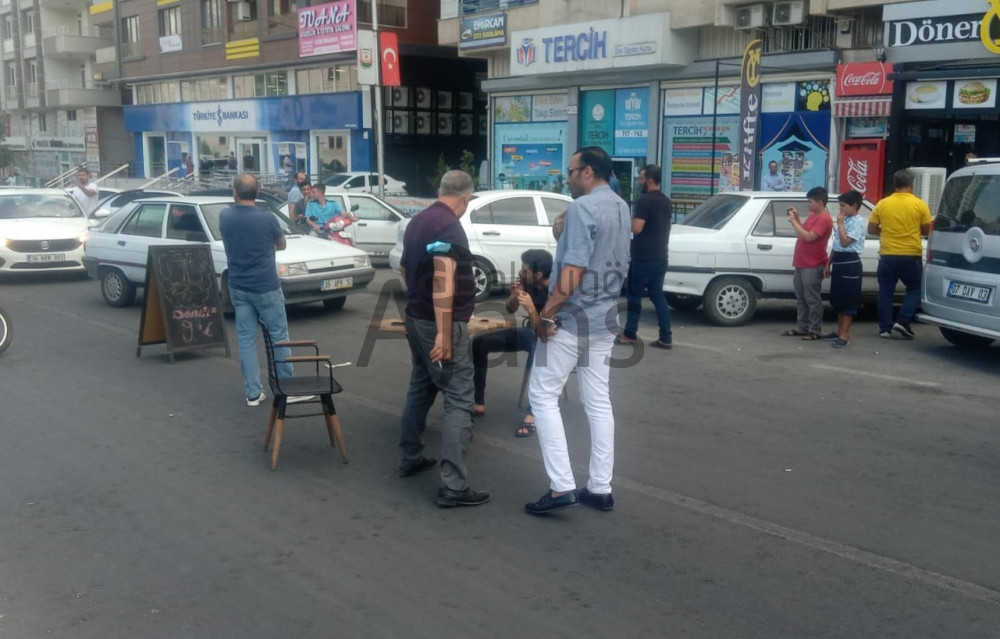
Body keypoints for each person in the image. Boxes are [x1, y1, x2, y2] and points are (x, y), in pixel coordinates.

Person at [524, 146, 631, 516]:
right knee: (598, 401)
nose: (566, 178)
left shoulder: (583, 208)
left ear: (587, 172)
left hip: (573, 319)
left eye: (570, 171)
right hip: (604, 317)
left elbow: (574, 270)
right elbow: (603, 256)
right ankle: (600, 487)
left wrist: (546, 314)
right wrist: (562, 235)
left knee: (542, 395)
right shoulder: (621, 206)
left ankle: (561, 486)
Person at [398, 169, 489, 509]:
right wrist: (443, 330)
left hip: (415, 317)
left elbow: (405, 269)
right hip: (438, 322)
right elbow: (442, 278)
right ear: (466, 197)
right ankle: (453, 485)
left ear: (441, 190)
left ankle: (410, 457)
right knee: (459, 398)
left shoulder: (418, 221)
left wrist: (418, 304)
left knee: (422, 384)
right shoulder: (449, 226)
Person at [218, 173, 312, 407]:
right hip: (266, 285)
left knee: (246, 339)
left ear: (235, 193)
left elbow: (228, 241)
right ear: (258, 193)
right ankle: (287, 388)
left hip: (238, 286)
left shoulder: (225, 216)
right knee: (279, 337)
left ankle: (253, 393)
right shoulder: (267, 218)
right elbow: (281, 244)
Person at [471, 249, 552, 437]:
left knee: (537, 352)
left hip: (548, 337)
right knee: (480, 342)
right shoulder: (527, 282)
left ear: (539, 274)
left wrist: (531, 308)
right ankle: (478, 401)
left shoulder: (555, 290)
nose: (520, 273)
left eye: (525, 270)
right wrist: (514, 295)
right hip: (529, 331)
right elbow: (509, 309)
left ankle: (533, 413)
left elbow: (545, 331)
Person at [868, 169, 933, 339]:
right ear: (911, 184)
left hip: (887, 254)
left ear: (894, 184)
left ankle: (885, 329)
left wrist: (887, 232)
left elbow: (872, 229)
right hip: (910, 254)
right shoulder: (920, 204)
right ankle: (903, 320)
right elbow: (927, 230)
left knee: (885, 292)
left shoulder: (882, 204)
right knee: (915, 288)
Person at [618, 163, 673, 349]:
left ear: (649, 180)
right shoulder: (666, 201)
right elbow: (668, 226)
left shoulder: (645, 200)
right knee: (658, 296)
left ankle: (629, 334)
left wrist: (628, 219)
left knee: (634, 295)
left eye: (641, 178)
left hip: (643, 258)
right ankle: (666, 337)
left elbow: (637, 228)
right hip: (661, 257)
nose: (639, 182)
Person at [782, 186, 833, 340]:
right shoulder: (813, 215)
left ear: (820, 202)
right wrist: (797, 219)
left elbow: (809, 237)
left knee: (812, 298)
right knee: (801, 297)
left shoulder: (824, 218)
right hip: (802, 261)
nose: (808, 204)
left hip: (813, 263)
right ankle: (802, 327)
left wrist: (794, 222)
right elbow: (803, 231)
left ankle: (815, 329)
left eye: (811, 202)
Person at [823, 190, 866, 348]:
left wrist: (840, 224)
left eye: (843, 206)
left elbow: (846, 242)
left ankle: (845, 335)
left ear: (853, 205)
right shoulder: (846, 220)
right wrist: (828, 263)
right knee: (838, 299)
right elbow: (837, 245)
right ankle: (839, 330)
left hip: (850, 263)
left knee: (848, 300)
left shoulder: (858, 222)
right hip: (839, 261)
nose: (840, 209)